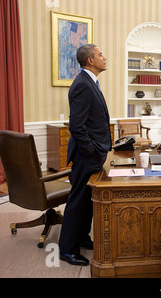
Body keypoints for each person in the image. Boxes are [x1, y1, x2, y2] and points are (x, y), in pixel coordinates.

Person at [59, 44, 112, 266]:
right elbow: (77, 126)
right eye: (101, 54)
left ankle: (81, 238)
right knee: (78, 201)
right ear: (90, 60)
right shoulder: (82, 85)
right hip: (86, 155)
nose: (104, 57)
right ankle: (67, 249)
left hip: (93, 152)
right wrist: (92, 150)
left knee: (88, 201)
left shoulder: (90, 82)